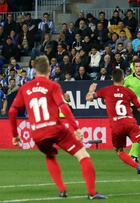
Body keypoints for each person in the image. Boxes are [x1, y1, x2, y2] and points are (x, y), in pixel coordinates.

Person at [7, 56, 106, 199]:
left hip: (38, 134)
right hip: (56, 129)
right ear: (49, 70)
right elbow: (63, 106)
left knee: (50, 155)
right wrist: (76, 127)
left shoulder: (25, 88)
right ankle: (92, 192)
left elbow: (11, 111)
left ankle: (62, 189)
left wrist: (15, 135)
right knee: (83, 156)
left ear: (34, 70)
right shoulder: (52, 86)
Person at [86, 69, 140, 175]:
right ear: (123, 79)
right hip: (129, 122)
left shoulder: (106, 90)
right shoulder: (129, 92)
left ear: (112, 79)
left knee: (119, 151)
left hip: (116, 125)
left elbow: (88, 98)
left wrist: (91, 90)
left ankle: (138, 166)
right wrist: (139, 103)